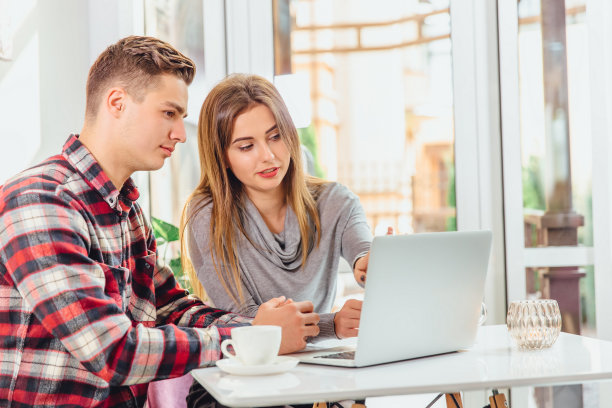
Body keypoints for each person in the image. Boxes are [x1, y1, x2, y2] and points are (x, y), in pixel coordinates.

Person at [0, 36, 319, 408]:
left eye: (181, 118)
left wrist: (262, 327)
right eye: (169, 113)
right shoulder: (41, 201)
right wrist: (257, 338)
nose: (181, 134)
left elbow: (173, 308)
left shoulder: (127, 210)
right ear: (117, 103)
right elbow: (112, 351)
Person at [181, 73, 373, 342]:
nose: (268, 156)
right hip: (245, 370)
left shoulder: (336, 202)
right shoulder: (208, 216)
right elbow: (245, 324)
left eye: (275, 136)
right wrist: (333, 325)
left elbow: (362, 250)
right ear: (222, 157)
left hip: (316, 370)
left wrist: (371, 263)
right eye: (247, 146)